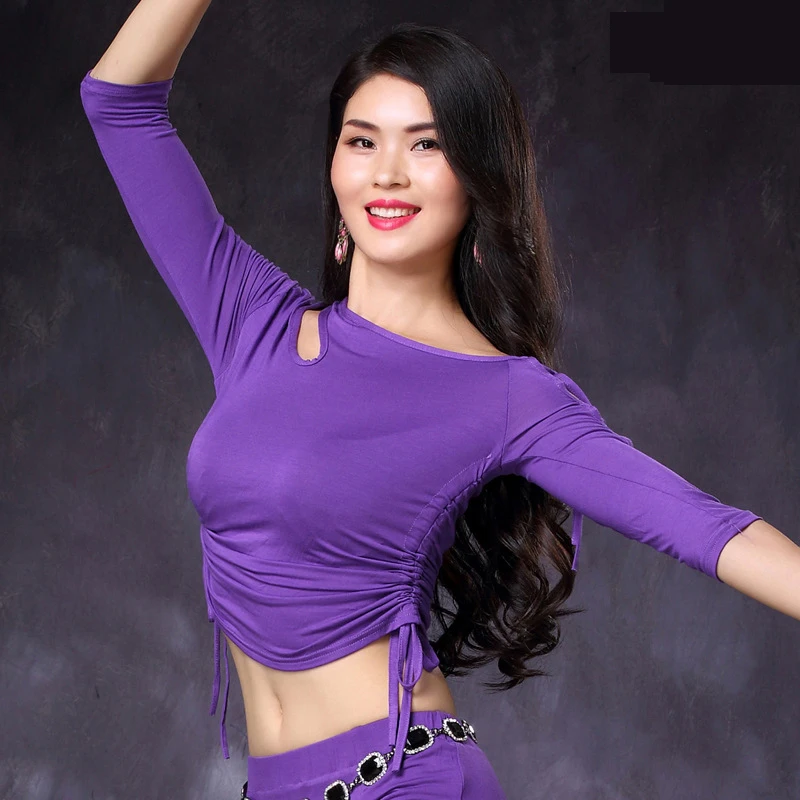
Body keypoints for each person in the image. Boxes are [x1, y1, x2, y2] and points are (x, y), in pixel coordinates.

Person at [79, 2, 800, 798]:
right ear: (334, 165)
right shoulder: (253, 322)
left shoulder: (507, 395)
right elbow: (119, 102)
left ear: (477, 177)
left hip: (400, 779)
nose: (387, 173)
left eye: (427, 144)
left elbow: (702, 525)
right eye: (362, 141)